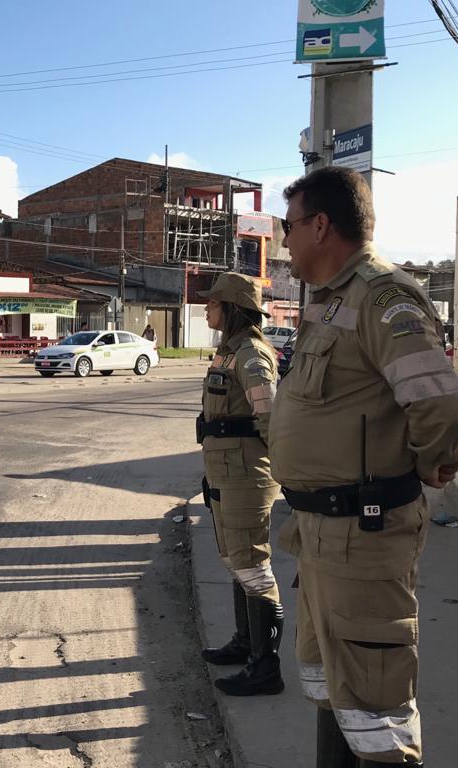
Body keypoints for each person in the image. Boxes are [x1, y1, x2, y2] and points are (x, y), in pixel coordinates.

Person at [270, 166, 458, 767]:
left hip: (363, 534)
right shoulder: (331, 303)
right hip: (321, 536)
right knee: (336, 694)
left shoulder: (383, 297)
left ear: (321, 225)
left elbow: (438, 402)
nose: (284, 240)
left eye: (289, 226)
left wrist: (427, 464)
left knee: (377, 718)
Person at [197, 272, 284, 697]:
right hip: (225, 474)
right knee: (236, 560)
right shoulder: (228, 352)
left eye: (212, 303)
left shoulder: (251, 355)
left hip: (247, 478)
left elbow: (270, 418)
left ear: (231, 308)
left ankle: (265, 666)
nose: (206, 308)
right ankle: (245, 644)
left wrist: (289, 474)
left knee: (252, 563)